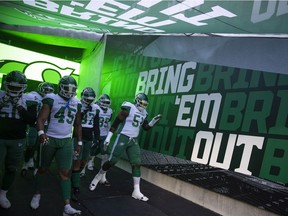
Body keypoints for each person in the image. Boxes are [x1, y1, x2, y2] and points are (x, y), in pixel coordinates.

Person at [89, 93, 161, 201]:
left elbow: (145, 128)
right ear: (137, 101)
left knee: (136, 164)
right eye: (142, 103)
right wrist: (108, 137)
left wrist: (153, 121)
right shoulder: (129, 108)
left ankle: (136, 191)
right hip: (123, 137)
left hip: (133, 140)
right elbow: (116, 122)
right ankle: (98, 177)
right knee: (112, 161)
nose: (144, 106)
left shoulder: (144, 113)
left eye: (146, 104)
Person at [30, 75, 82, 216]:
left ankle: (67, 207)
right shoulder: (51, 98)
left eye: (73, 89)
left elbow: (78, 124)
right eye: (67, 88)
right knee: (42, 169)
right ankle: (37, 194)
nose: (70, 92)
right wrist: (41, 133)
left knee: (65, 173)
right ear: (60, 87)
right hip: (50, 138)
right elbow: (41, 119)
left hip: (65, 141)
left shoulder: (77, 102)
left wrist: (79, 142)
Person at [0, 70, 37, 209]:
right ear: (6, 85)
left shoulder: (29, 99)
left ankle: (3, 194)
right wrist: (3, 102)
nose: (14, 90)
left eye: (18, 87)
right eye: (12, 86)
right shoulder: (1, 95)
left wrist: (19, 106)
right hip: (0, 137)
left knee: (11, 168)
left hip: (17, 139)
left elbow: (31, 120)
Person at [71, 87, 100, 201]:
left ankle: (74, 176)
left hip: (89, 137)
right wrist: (85, 110)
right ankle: (75, 186)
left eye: (91, 99)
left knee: (84, 161)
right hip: (78, 135)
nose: (89, 101)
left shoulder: (96, 108)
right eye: (87, 99)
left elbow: (96, 124)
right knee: (77, 161)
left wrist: (97, 138)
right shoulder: (77, 104)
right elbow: (75, 122)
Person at [21, 82, 54, 176]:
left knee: (41, 147)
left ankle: (36, 166)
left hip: (46, 125)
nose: (47, 92)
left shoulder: (52, 98)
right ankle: (25, 163)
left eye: (49, 90)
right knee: (30, 145)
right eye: (45, 89)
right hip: (34, 124)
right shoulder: (33, 95)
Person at [81, 94, 113, 187]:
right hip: (94, 134)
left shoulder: (110, 111)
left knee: (105, 157)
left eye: (107, 102)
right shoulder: (95, 108)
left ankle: (103, 178)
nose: (106, 104)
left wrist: (108, 136)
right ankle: (82, 170)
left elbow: (108, 123)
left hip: (104, 135)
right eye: (104, 102)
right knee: (90, 154)